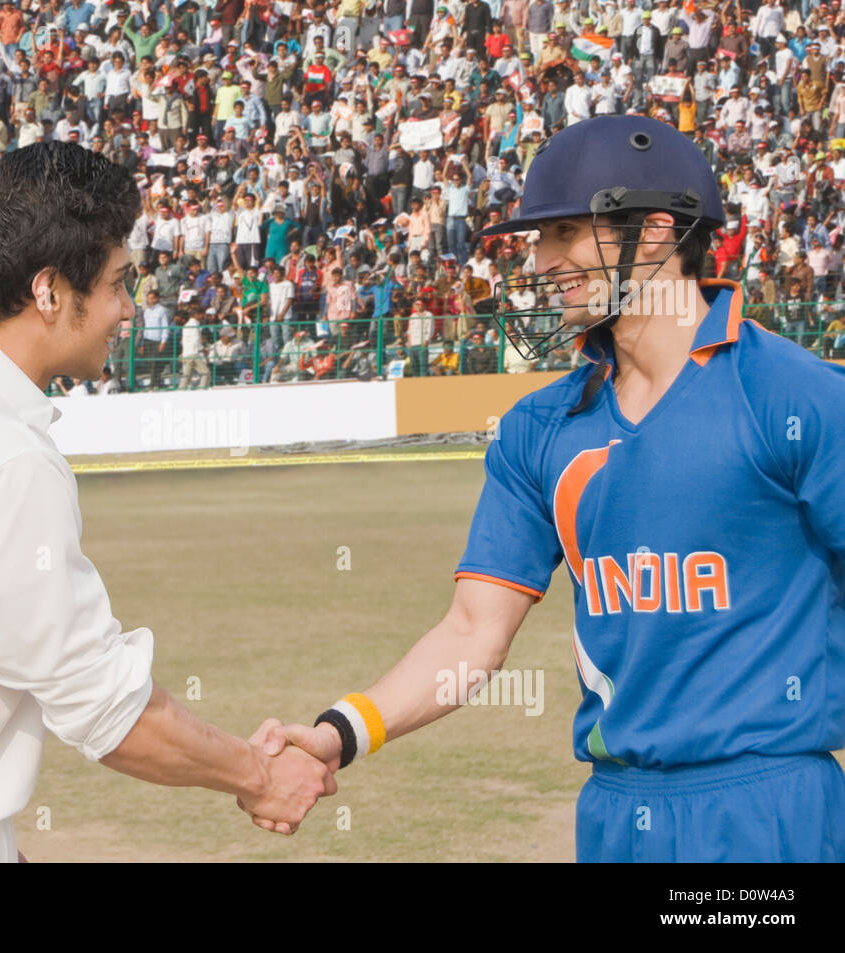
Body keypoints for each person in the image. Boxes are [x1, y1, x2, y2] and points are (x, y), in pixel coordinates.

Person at [252, 116, 845, 863]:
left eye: (565, 231)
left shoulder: (796, 397)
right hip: (614, 812)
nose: (542, 261)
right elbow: (472, 631)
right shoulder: (540, 427)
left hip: (770, 810)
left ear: (656, 233)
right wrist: (339, 731)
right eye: (538, 239)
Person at [0, 142, 335, 863]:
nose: (127, 309)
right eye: (117, 282)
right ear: (48, 291)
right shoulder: (2, 454)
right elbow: (101, 705)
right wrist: (259, 773)